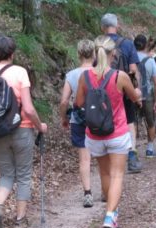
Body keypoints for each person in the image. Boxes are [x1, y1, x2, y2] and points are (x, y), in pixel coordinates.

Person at [75, 35, 142, 228]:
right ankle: (111, 215)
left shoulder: (85, 77)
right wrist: (137, 95)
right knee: (117, 175)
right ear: (114, 54)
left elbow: (78, 103)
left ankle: (111, 210)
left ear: (95, 53)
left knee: (104, 173)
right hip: (117, 132)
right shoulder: (119, 76)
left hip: (94, 134)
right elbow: (133, 96)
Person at [0, 33, 48, 228]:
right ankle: (20, 223)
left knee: (6, 174)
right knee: (23, 176)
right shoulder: (20, 72)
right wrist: (40, 126)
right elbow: (28, 108)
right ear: (11, 53)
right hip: (21, 129)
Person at [100, 13, 142, 173]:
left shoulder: (98, 43)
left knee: (105, 120)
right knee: (129, 121)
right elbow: (133, 70)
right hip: (123, 88)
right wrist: (136, 91)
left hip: (102, 90)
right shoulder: (127, 44)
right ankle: (131, 156)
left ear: (102, 27)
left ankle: (108, 157)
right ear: (117, 25)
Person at [59, 39, 95, 208]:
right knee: (104, 155)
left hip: (79, 119)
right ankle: (106, 189)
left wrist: (64, 118)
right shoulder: (101, 72)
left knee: (84, 158)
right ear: (94, 53)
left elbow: (64, 101)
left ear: (79, 54)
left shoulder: (72, 75)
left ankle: (87, 192)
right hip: (100, 119)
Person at [133, 34, 156, 158]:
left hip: (132, 95)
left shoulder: (130, 59)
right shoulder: (150, 61)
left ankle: (132, 150)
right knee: (150, 122)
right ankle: (149, 149)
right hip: (147, 96)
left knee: (132, 122)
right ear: (146, 46)